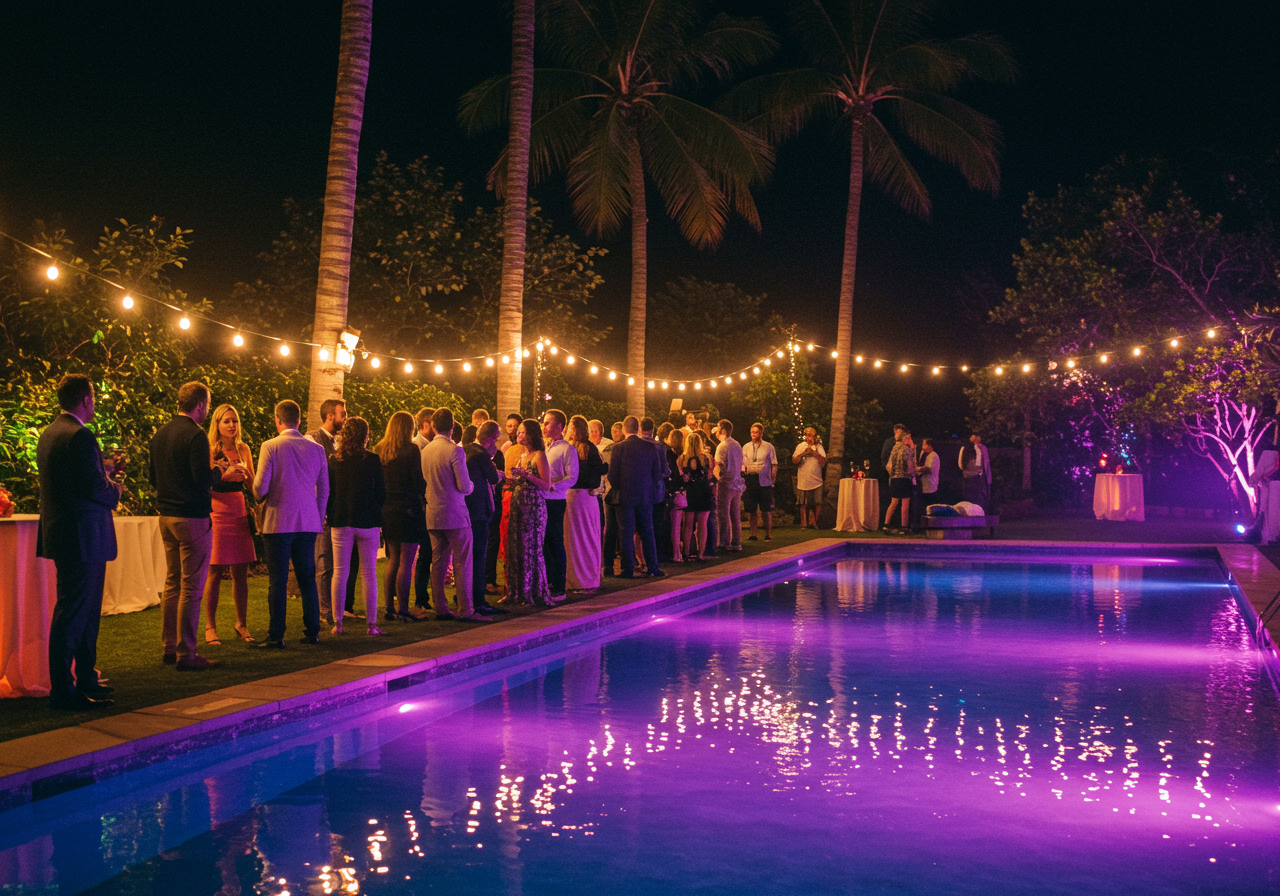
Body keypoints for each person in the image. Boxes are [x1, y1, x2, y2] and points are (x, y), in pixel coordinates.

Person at [37, 374, 123, 709]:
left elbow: (74, 482)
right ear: (86, 399)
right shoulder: (81, 436)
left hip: (66, 535)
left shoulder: (50, 434)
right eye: (93, 398)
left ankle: (85, 678)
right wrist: (115, 486)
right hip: (83, 538)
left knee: (81, 612)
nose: (94, 404)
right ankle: (64, 690)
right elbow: (95, 488)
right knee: (74, 613)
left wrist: (103, 471)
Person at [150, 381, 224, 670]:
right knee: (192, 587)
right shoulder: (194, 435)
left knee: (172, 582)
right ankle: (186, 653)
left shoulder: (161, 433)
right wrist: (219, 470)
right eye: (206, 405)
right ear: (200, 406)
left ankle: (169, 646)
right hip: (192, 517)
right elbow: (201, 479)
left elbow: (153, 477)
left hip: (166, 516)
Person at [253, 399, 329, 648]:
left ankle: (277, 634)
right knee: (307, 577)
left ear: (278, 419)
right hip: (307, 522)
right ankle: (312, 630)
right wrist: (317, 516)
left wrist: (253, 488)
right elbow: (325, 490)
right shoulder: (316, 449)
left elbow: (261, 488)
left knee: (278, 580)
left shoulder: (270, 446)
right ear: (299, 421)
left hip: (278, 522)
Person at [423, 407, 488, 622]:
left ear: (433, 426)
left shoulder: (425, 451)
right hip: (454, 513)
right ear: (452, 427)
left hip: (433, 512)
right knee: (462, 561)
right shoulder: (454, 450)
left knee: (438, 561)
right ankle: (466, 608)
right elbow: (463, 486)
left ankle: (440, 606)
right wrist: (471, 484)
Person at [325, 416, 386, 635]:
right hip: (367, 520)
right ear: (364, 436)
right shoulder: (371, 459)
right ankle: (371, 625)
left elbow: (329, 490)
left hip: (340, 519)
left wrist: (329, 512)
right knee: (368, 573)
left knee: (340, 572)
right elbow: (381, 492)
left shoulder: (334, 460)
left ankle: (337, 623)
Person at [203, 404, 256, 645]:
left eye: (234, 421)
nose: (232, 425)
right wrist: (223, 475)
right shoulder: (210, 449)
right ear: (217, 424)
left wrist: (246, 475)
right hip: (217, 510)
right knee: (214, 570)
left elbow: (252, 487)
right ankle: (210, 626)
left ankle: (241, 623)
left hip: (238, 509)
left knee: (240, 572)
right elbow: (204, 483)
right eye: (226, 421)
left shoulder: (243, 448)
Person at [308, 398, 356, 626]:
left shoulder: (337, 442)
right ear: (330, 416)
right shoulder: (314, 440)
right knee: (324, 561)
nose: (345, 418)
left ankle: (337, 607)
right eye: (342, 414)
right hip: (324, 512)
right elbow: (312, 476)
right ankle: (323, 610)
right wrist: (320, 506)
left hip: (337, 511)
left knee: (339, 563)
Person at [379, 411, 429, 622]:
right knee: (406, 562)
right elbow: (417, 481)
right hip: (408, 509)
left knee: (393, 559)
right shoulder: (411, 450)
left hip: (388, 508)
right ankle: (404, 608)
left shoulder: (381, 449)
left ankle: (389, 607)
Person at [608, 415, 665, 578]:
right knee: (647, 531)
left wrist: (620, 486)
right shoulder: (650, 447)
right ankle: (653, 567)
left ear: (624, 429)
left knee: (626, 533)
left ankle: (628, 569)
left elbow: (612, 475)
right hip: (646, 496)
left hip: (625, 496)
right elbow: (657, 474)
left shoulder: (618, 448)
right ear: (638, 429)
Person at [505, 418, 553, 606]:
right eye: (519, 432)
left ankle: (532, 591)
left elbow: (546, 484)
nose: (519, 434)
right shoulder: (522, 455)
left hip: (533, 506)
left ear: (531, 434)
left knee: (530, 547)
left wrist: (526, 475)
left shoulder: (539, 456)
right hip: (518, 504)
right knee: (516, 547)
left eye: (523, 432)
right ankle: (516, 591)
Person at [465, 420, 506, 616]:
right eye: (496, 440)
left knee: (469, 557)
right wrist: (497, 468)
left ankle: (466, 595)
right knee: (478, 557)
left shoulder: (466, 450)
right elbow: (493, 478)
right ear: (490, 440)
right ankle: (478, 600)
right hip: (478, 512)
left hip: (468, 511)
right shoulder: (481, 455)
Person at [541, 409, 579, 600]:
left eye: (548, 423)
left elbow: (572, 477)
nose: (544, 426)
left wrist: (553, 486)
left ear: (559, 426)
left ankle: (559, 586)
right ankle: (547, 582)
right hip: (542, 499)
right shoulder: (546, 448)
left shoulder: (567, 449)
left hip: (555, 501)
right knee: (545, 543)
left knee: (555, 541)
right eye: (544, 422)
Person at [565, 414, 606, 590]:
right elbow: (601, 469)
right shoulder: (587, 448)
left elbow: (599, 470)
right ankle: (584, 579)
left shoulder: (578, 449)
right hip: (584, 498)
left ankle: (580, 580)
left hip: (577, 497)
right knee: (583, 538)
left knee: (579, 538)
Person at [679, 430, 714, 560]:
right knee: (702, 524)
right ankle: (701, 553)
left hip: (690, 492)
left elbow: (681, 475)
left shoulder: (682, 459)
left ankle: (686, 552)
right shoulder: (706, 458)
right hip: (704, 490)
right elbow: (709, 475)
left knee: (688, 524)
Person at [742, 423, 778, 541]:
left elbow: (774, 463)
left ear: (761, 433)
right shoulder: (746, 447)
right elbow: (743, 463)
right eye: (752, 432)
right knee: (751, 508)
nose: (753, 434)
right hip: (750, 479)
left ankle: (768, 533)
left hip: (764, 480)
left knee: (766, 509)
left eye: (756, 432)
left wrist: (772, 478)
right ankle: (754, 534)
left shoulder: (768, 447)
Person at [714, 419, 744, 552]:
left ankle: (725, 542)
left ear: (723, 431)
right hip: (737, 483)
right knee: (735, 514)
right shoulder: (737, 445)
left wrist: (715, 478)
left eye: (718, 428)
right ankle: (737, 541)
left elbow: (718, 465)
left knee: (723, 513)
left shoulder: (722, 446)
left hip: (726, 483)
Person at [792, 427, 827, 529]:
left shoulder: (819, 447)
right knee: (803, 503)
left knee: (817, 502)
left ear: (814, 436)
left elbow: (823, 462)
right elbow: (794, 460)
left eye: (810, 435)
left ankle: (816, 522)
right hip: (803, 478)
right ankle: (804, 523)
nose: (808, 437)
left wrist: (814, 453)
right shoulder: (801, 446)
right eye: (806, 435)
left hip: (816, 479)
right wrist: (803, 453)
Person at [884, 431, 917, 535]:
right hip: (904, 478)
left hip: (894, 478)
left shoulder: (895, 448)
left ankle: (886, 524)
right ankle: (904, 526)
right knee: (905, 503)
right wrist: (913, 475)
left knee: (893, 502)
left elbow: (889, 465)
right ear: (905, 439)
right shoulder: (907, 450)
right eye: (909, 438)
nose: (911, 440)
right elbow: (910, 465)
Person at [665, 428, 687, 561]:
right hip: (679, 491)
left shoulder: (669, 455)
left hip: (671, 491)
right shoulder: (682, 456)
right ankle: (676, 553)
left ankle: (674, 552)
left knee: (674, 524)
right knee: (678, 524)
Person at [960, 433, 992, 508]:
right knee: (976, 498)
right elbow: (981, 464)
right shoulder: (974, 448)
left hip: (969, 476)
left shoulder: (980, 448)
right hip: (975, 476)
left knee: (971, 497)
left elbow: (984, 464)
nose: (971, 437)